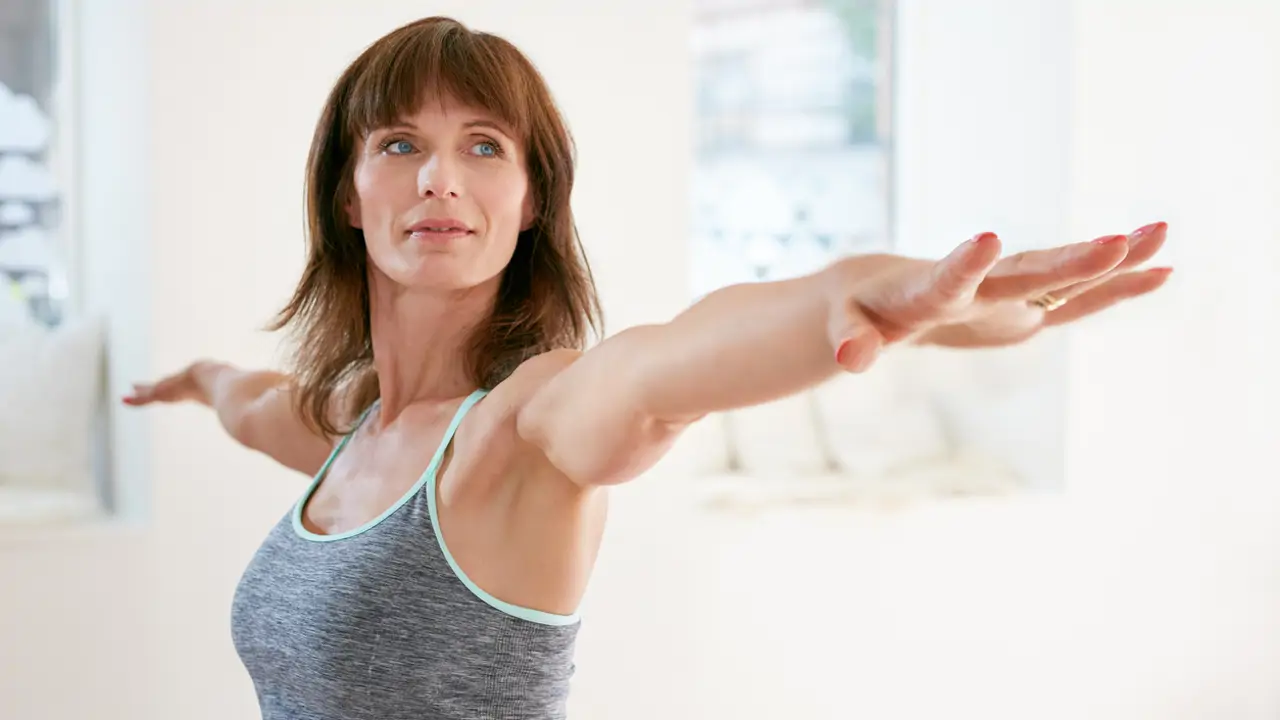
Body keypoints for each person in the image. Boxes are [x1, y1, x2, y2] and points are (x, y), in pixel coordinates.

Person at [122, 15, 1171, 720]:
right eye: (400, 144)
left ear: (530, 201)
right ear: (347, 194)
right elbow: (252, 401)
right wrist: (195, 379)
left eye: (484, 146)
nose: (441, 178)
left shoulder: (527, 425)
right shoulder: (350, 422)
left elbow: (669, 364)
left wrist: (862, 298)